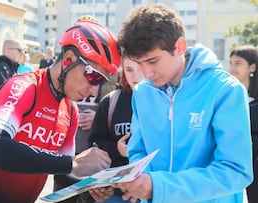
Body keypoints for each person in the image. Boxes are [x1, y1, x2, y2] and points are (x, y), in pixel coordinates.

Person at [90, 4, 253, 203]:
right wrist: (139, 182)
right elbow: (137, 150)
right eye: (138, 63)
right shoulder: (142, 92)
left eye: (153, 61)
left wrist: (159, 186)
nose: (146, 73)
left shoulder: (225, 90)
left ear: (180, 47)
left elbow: (236, 171)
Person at [0, 19, 121, 203]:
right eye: (94, 76)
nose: (94, 90)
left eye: (101, 83)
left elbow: (62, 174)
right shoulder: (23, 87)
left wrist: (90, 185)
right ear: (69, 59)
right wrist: (72, 163)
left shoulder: (70, 110)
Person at [88, 55, 143, 203]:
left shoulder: (162, 101)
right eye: (129, 69)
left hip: (149, 190)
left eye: (140, 68)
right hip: (114, 193)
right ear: (122, 70)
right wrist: (116, 149)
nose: (135, 76)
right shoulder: (111, 101)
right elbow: (94, 143)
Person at [228, 45, 258, 203]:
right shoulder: (228, 97)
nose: (232, 68)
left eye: (238, 63)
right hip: (234, 165)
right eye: (230, 63)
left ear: (252, 66)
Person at [0, 39, 24, 104]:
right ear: (8, 51)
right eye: (20, 50)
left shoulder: (9, 68)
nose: (22, 53)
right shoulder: (0, 68)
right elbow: (1, 95)